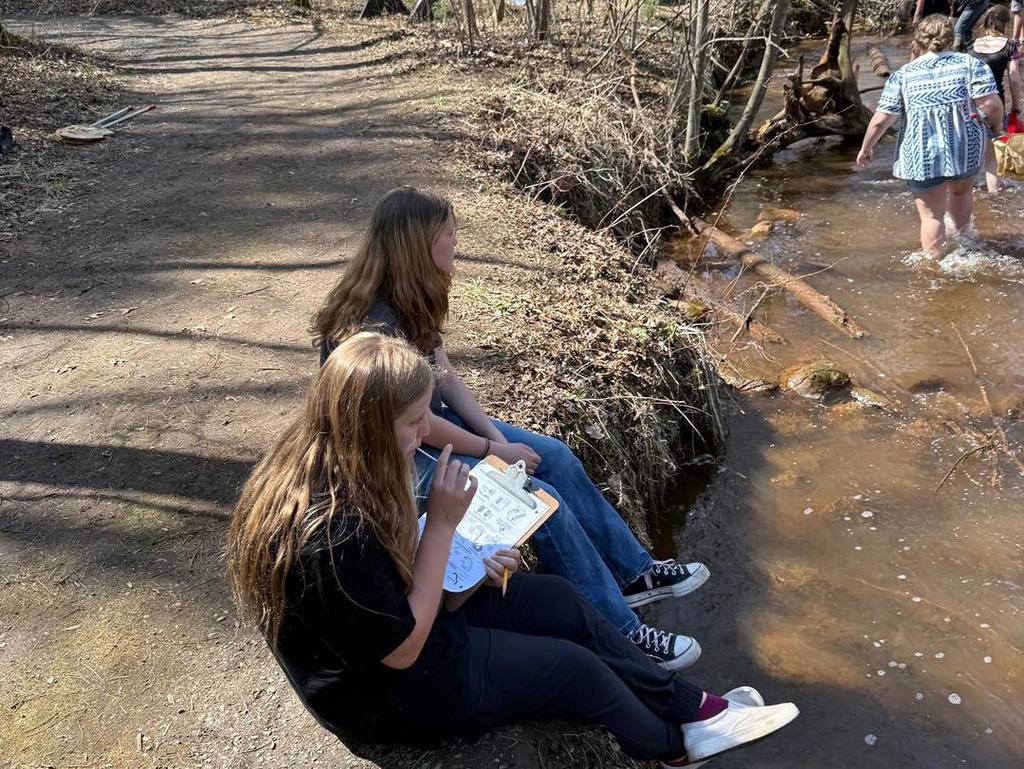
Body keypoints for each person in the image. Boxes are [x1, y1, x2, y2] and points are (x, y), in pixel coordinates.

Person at [226, 332, 799, 766]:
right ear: (365, 423)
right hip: (382, 691)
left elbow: (403, 587)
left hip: (403, 632)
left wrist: (468, 567)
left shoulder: (352, 461)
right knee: (572, 670)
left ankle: (691, 707)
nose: (428, 431)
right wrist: (446, 528)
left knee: (559, 602)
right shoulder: (331, 530)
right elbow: (399, 650)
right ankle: (673, 746)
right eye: (414, 420)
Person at [311, 186, 710, 670]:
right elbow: (424, 425)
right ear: (419, 245)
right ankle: (625, 636)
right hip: (395, 450)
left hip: (431, 423)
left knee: (555, 455)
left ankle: (634, 575)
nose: (457, 242)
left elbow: (444, 377)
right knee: (540, 502)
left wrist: (501, 442)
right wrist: (491, 452)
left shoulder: (411, 292)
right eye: (449, 234)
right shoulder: (376, 329)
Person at [857, 14, 1004, 256]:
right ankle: (965, 245)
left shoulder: (904, 75)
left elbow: (881, 119)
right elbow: (992, 104)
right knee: (961, 192)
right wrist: (997, 128)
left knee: (931, 216)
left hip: (921, 154)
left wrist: (866, 147)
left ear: (919, 39)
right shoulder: (970, 65)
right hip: (964, 148)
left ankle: (935, 266)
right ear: (950, 37)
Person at [969, 4, 1023, 190]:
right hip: (994, 104)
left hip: (969, 105)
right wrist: (1016, 106)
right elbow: (1014, 78)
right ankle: (993, 197)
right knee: (993, 157)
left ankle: (966, 195)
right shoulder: (1010, 46)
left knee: (970, 154)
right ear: (1005, 24)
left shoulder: (972, 45)